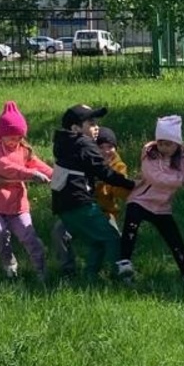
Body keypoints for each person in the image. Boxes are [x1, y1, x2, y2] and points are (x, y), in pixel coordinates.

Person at [119, 115, 184, 288]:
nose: (163, 148)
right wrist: (183, 182)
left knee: (174, 239)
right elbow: (155, 177)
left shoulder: (182, 160)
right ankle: (124, 263)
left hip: (162, 207)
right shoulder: (149, 155)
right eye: (161, 143)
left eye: (168, 144)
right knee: (131, 228)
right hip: (140, 200)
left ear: (177, 144)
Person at [51, 103, 135, 283]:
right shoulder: (84, 144)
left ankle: (90, 278)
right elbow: (105, 173)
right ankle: (121, 276)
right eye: (91, 124)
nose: (96, 128)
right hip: (79, 203)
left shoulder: (64, 142)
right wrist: (132, 184)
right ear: (75, 128)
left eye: (96, 123)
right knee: (111, 237)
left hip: (63, 205)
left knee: (97, 240)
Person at [0, 101, 53, 279]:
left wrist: (55, 175)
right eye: (10, 137)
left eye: (19, 137)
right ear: (0, 134)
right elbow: (4, 166)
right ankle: (9, 264)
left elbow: (36, 164)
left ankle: (41, 270)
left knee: (28, 235)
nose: (15, 141)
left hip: (16, 202)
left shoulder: (23, 149)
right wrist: (30, 174)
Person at [93, 127, 132, 229]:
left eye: (110, 147)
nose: (106, 151)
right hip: (87, 209)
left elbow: (120, 193)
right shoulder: (88, 162)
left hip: (107, 211)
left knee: (111, 236)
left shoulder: (119, 166)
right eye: (101, 147)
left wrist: (109, 174)